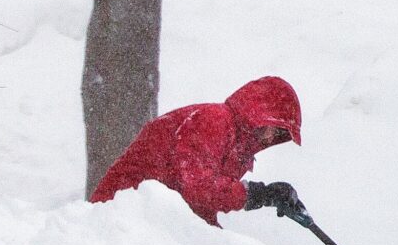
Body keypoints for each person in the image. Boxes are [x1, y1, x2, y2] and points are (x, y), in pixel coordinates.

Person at [87, 76, 304, 222]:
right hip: (115, 219)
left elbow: (200, 211)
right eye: (273, 128)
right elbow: (199, 190)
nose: (269, 137)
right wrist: (258, 194)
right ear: (258, 112)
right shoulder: (213, 121)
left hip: (150, 222)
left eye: (278, 134)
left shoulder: (236, 149)